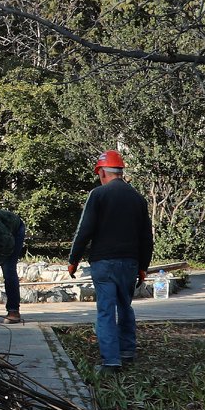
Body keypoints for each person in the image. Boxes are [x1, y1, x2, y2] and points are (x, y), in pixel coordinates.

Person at [66, 149, 154, 371]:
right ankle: (127, 351)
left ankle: (111, 361)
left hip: (104, 263)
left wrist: (73, 259)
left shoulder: (98, 195)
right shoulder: (138, 199)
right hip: (130, 263)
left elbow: (84, 230)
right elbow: (146, 236)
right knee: (125, 306)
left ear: (103, 172)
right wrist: (143, 266)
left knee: (106, 310)